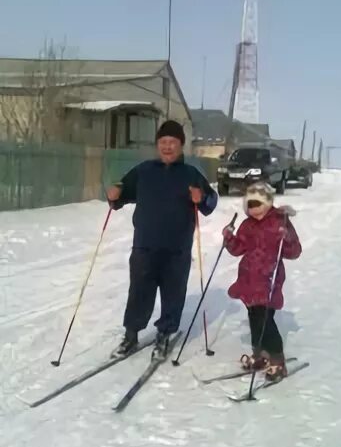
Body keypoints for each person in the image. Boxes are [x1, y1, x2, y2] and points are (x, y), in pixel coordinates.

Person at [107, 120, 218, 360]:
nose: (167, 147)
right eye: (163, 142)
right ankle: (131, 335)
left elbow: (211, 203)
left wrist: (202, 198)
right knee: (139, 292)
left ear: (181, 145)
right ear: (158, 145)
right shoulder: (144, 171)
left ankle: (164, 334)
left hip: (177, 249)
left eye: (172, 142)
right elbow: (120, 195)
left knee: (173, 293)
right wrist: (114, 194)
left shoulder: (191, 174)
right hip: (145, 245)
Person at [222, 182, 301, 381]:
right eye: (250, 205)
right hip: (249, 277)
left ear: (267, 202)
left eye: (257, 204)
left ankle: (276, 359)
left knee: (264, 317)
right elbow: (238, 249)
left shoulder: (279, 221)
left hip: (269, 277)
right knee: (254, 316)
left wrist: (287, 237)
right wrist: (229, 238)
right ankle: (261, 354)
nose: (254, 209)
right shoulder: (247, 224)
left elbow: (294, 252)